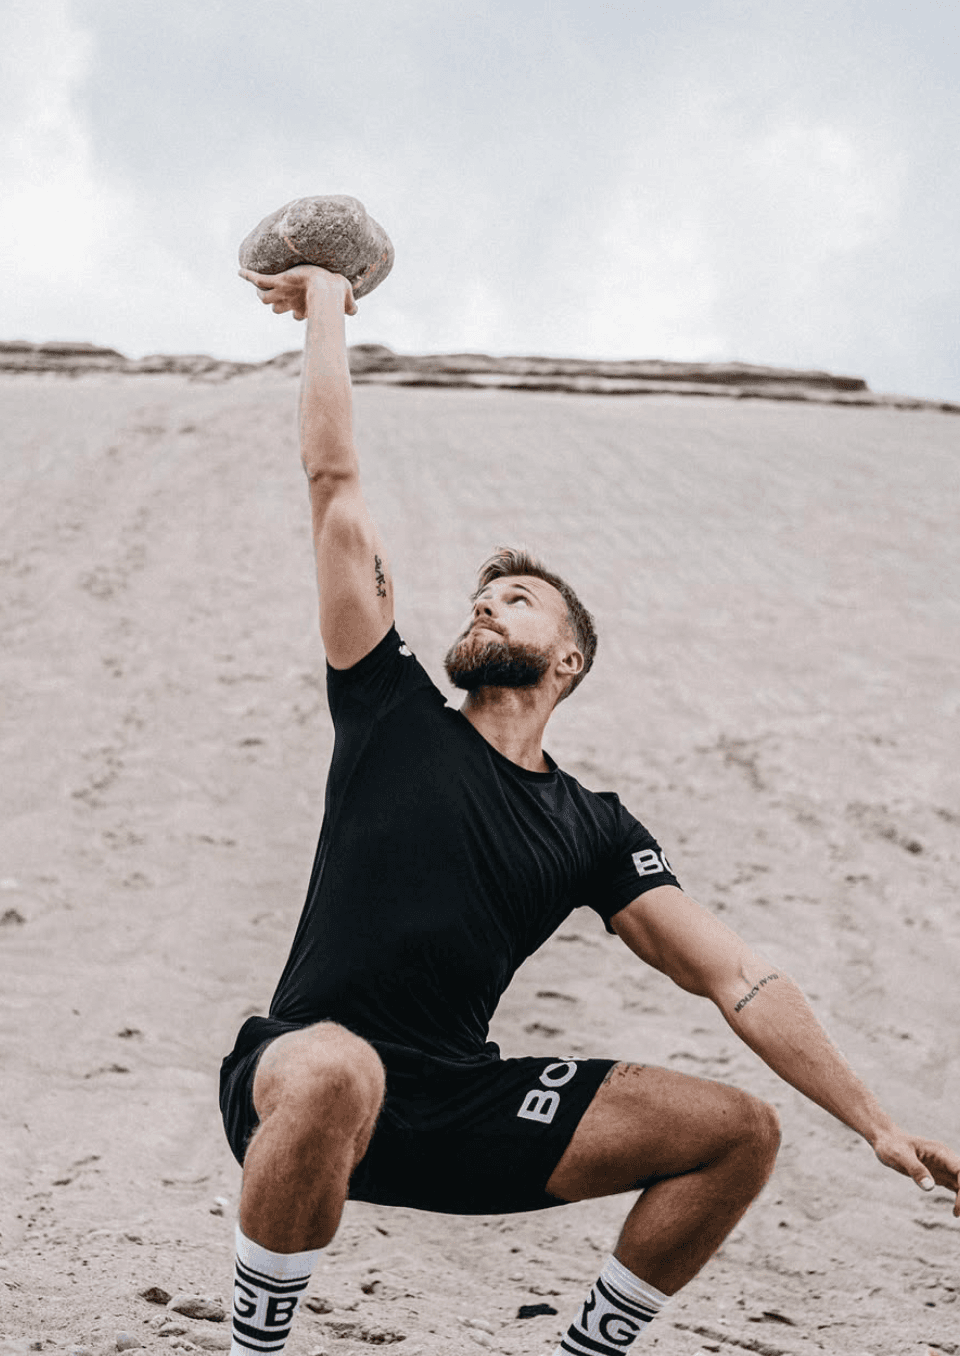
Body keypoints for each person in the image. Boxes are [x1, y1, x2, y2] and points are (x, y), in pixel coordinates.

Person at [221, 261, 960, 1356]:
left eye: (512, 598)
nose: (483, 604)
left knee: (735, 1133)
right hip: (298, 1081)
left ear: (564, 658)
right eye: (479, 595)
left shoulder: (593, 829)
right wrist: (327, 305)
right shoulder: (389, 707)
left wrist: (875, 1122)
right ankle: (257, 1345)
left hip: (457, 1106)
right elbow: (333, 484)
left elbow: (736, 977)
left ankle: (587, 1350)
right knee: (339, 1067)